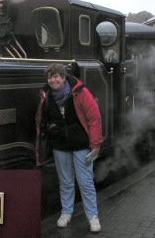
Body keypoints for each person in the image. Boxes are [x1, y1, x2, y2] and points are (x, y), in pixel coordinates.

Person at [35, 63, 103, 232]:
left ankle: (93, 217)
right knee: (65, 182)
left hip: (80, 143)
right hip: (60, 145)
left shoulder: (80, 92)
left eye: (56, 76)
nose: (53, 80)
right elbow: (42, 119)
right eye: (50, 77)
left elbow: (94, 118)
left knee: (85, 181)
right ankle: (66, 212)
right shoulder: (47, 95)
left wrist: (95, 143)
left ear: (63, 77)